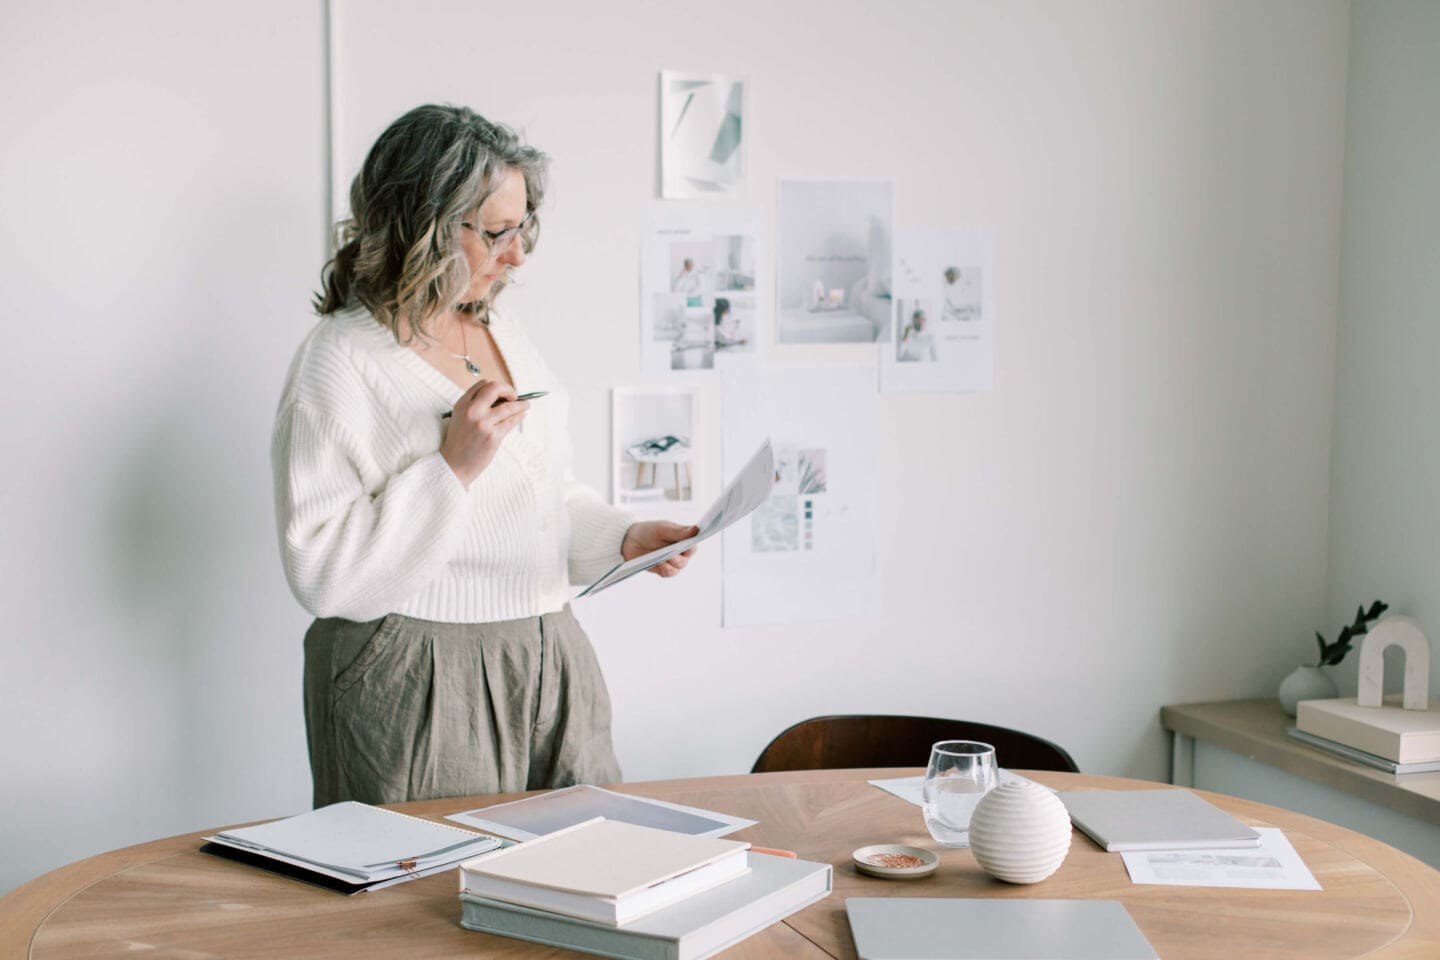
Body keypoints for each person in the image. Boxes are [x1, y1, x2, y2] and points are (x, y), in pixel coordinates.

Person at [272, 104, 698, 808]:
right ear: (422, 227)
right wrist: (450, 469)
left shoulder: (499, 327)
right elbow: (323, 574)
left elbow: (541, 492)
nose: (518, 255)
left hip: (550, 649)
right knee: (428, 901)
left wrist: (622, 538)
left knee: (586, 866)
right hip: (414, 668)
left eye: (523, 228)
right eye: (498, 232)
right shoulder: (338, 363)